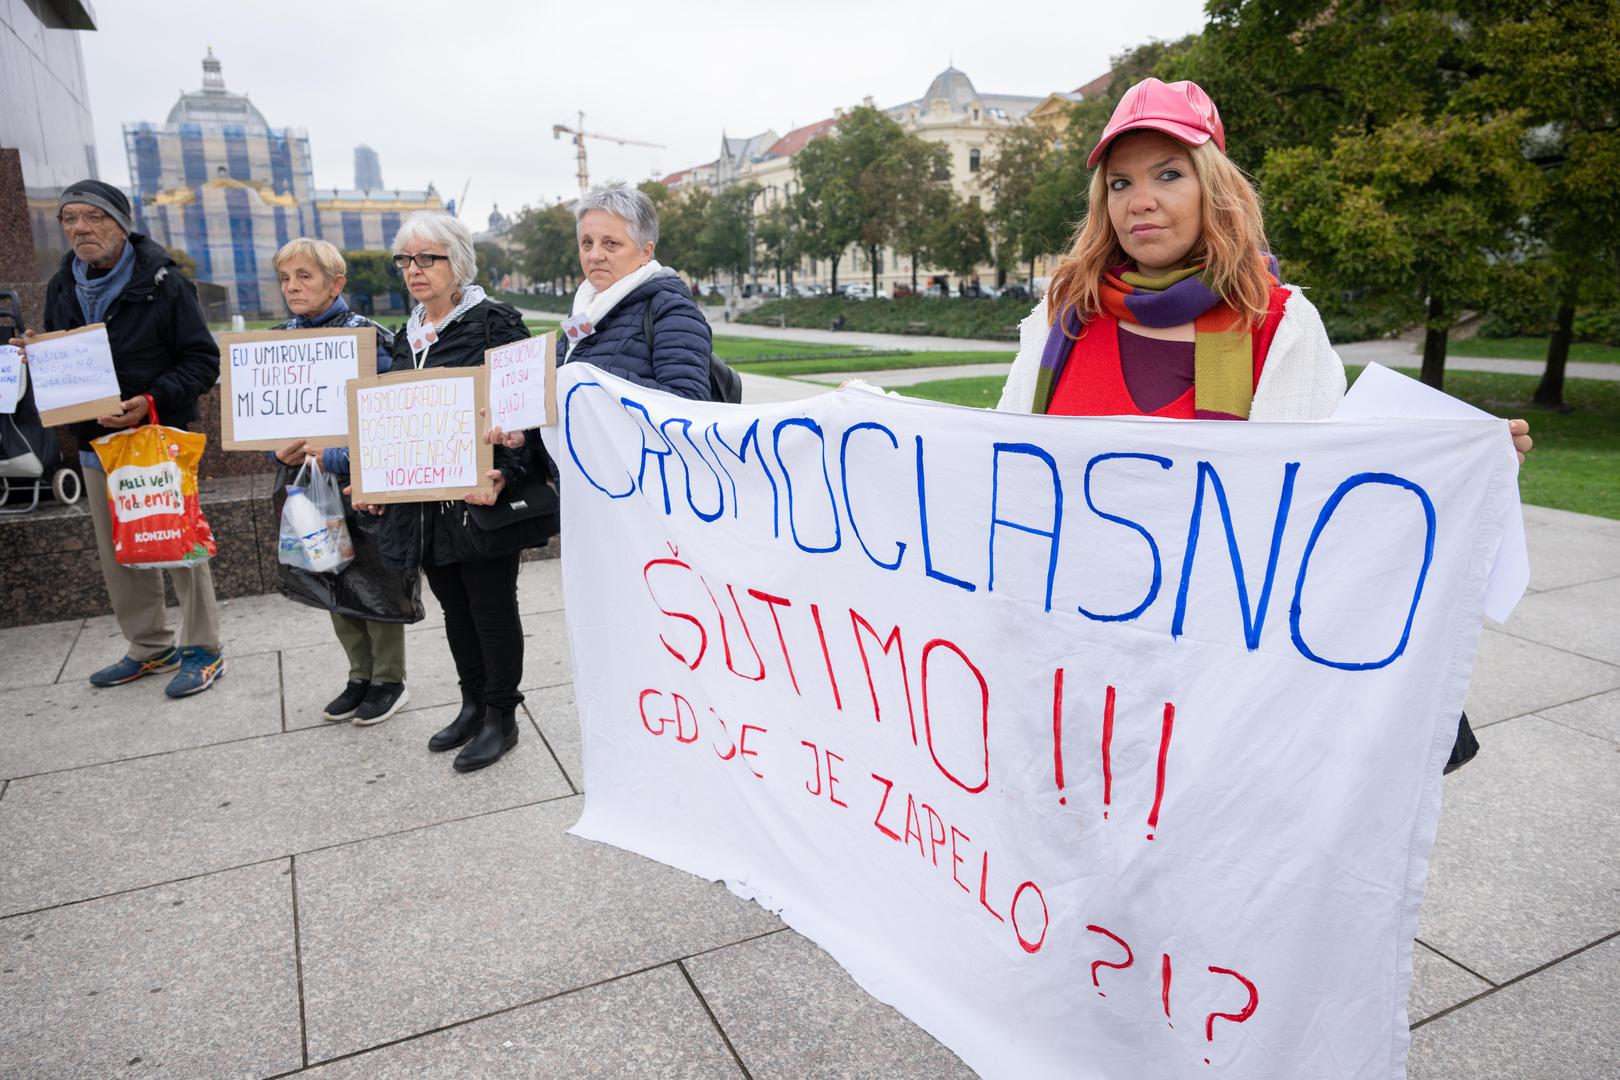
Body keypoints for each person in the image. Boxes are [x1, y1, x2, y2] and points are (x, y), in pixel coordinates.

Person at [996, 78, 1532, 771]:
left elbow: (1326, 499)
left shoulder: (1276, 322)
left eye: (1168, 174)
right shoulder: (1062, 315)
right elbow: (1001, 469)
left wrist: (1462, 468)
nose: (1142, 200)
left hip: (1213, 685)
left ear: (1212, 188)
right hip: (1069, 665)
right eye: (1121, 183)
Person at [10, 180, 224, 696]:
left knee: (176, 542)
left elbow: (202, 361)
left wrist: (148, 401)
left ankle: (203, 649)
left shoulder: (166, 281)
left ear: (121, 222)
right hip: (94, 444)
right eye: (69, 219)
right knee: (117, 551)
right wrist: (38, 352)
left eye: (93, 217)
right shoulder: (64, 282)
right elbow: (67, 350)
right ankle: (150, 647)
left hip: (154, 436)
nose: (80, 228)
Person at [377, 211, 557, 772]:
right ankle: (472, 703)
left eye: (427, 258)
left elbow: (526, 411)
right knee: (454, 608)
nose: (414, 270)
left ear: (458, 262)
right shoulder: (407, 335)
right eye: (406, 260)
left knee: (491, 607)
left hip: (481, 500)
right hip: (426, 504)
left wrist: (503, 467)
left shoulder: (492, 322)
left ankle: (502, 716)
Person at [267, 238, 411, 726]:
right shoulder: (277, 340)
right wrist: (276, 451)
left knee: (376, 578)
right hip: (306, 482)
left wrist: (337, 456)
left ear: (336, 282)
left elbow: (391, 419)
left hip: (359, 482)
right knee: (328, 569)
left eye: (304, 276)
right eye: (286, 278)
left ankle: (390, 679)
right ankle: (359, 675)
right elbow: (270, 423)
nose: (293, 287)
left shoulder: (370, 340)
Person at [556, 182, 712, 400]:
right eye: (587, 243)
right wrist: (526, 434)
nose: (594, 255)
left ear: (645, 252)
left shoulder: (672, 311)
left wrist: (587, 380)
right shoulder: (583, 306)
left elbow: (689, 403)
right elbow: (563, 400)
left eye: (610, 243)